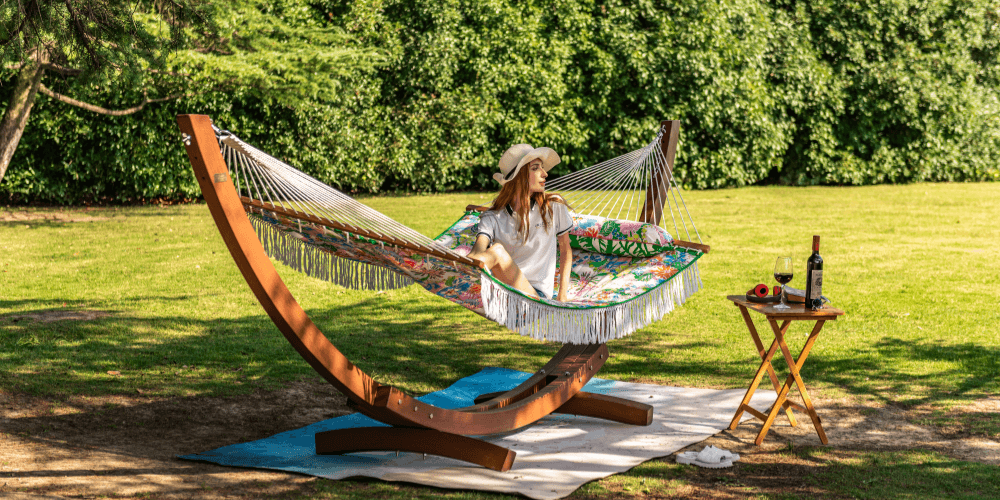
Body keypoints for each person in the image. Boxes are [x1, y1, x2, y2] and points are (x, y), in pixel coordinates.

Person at [469, 144, 574, 301]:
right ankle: (460, 268)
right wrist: (472, 259)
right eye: (535, 168)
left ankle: (458, 268)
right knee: (492, 253)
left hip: (536, 297)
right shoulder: (492, 217)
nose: (545, 173)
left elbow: (565, 249)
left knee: (497, 251)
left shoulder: (553, 208)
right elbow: (478, 251)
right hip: (500, 295)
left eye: (542, 167)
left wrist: (562, 295)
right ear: (520, 177)